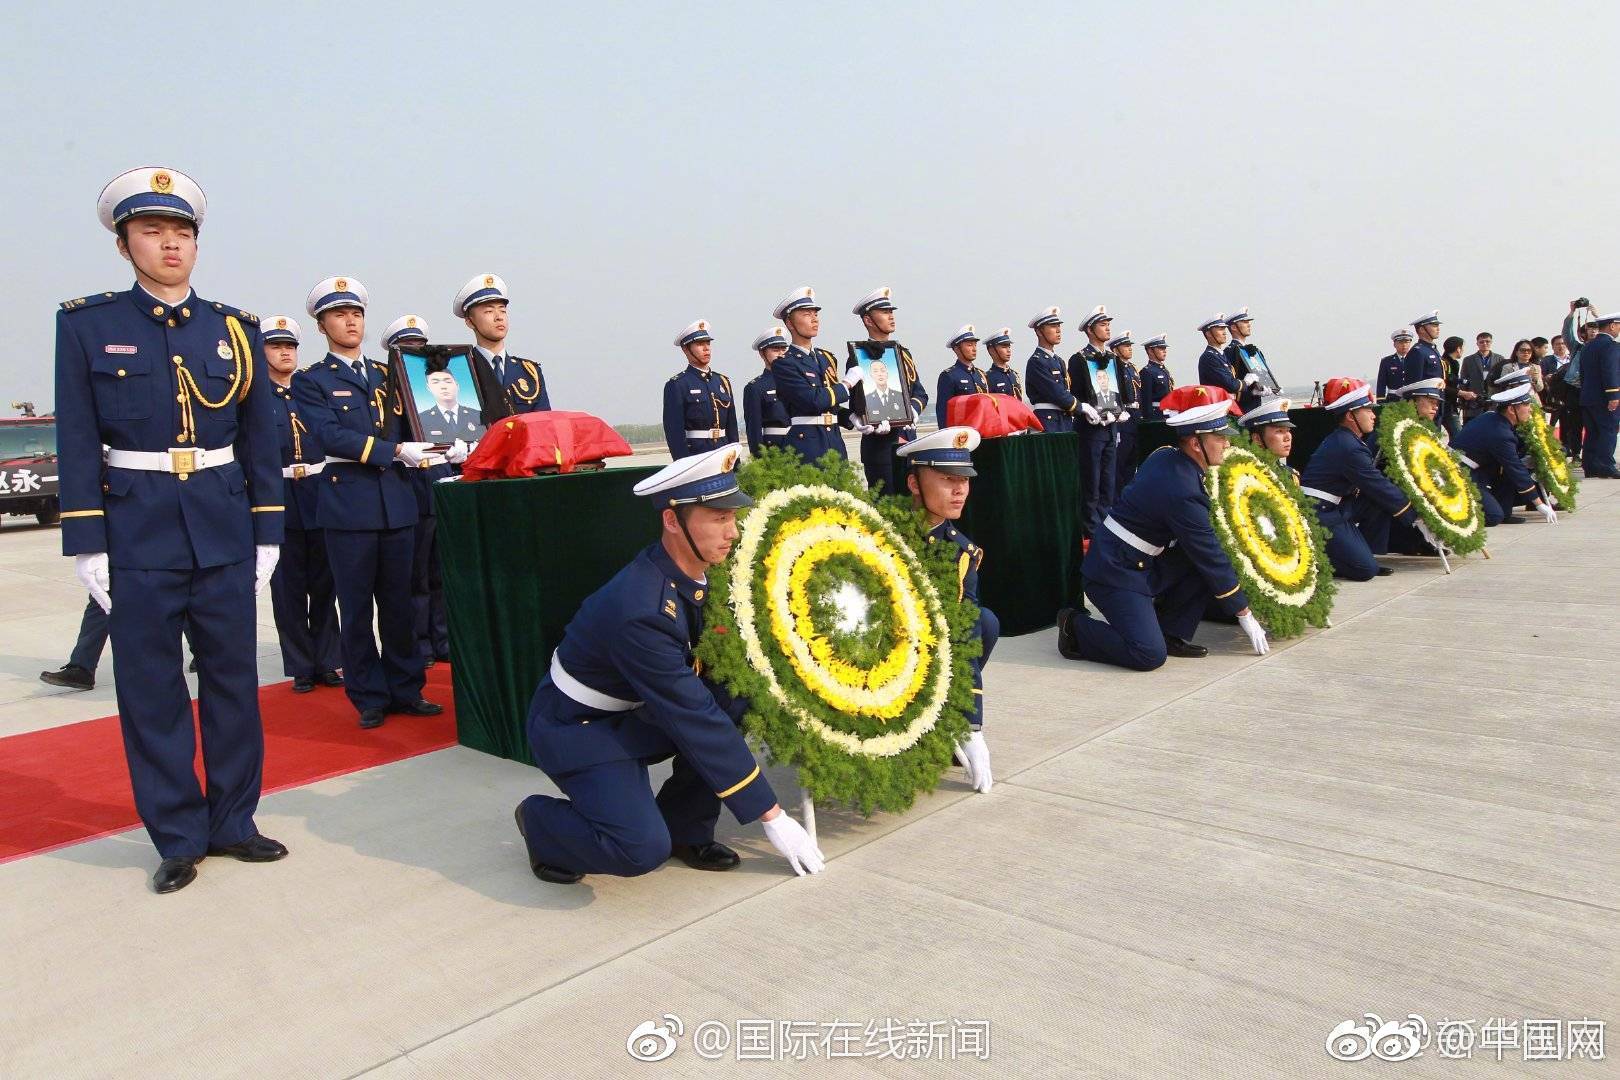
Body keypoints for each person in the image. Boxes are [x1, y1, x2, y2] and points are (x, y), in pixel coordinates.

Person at [54, 166, 287, 893]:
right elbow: (76, 432)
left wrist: (269, 530)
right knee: (151, 690)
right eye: (152, 233)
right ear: (125, 245)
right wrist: (87, 541)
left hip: (220, 525)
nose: (170, 245)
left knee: (232, 681)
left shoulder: (235, 331)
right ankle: (179, 834)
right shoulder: (88, 325)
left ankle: (234, 822)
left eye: (182, 233)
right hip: (138, 529)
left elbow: (260, 438)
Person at [514, 445, 825, 882]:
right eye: (718, 518)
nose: (731, 532)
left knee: (734, 694)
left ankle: (685, 828)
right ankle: (541, 821)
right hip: (580, 727)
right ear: (671, 520)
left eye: (732, 517)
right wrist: (772, 816)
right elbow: (691, 715)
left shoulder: (702, 571)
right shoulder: (641, 609)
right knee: (639, 850)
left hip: (638, 711)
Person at [293, 277, 444, 730]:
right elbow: (328, 435)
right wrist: (394, 451)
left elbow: (415, 424)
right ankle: (369, 694)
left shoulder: (387, 375)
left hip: (397, 504)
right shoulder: (312, 381)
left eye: (356, 313)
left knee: (399, 604)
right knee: (357, 609)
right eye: (340, 315)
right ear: (323, 325)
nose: (351, 321)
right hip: (349, 506)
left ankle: (406, 687)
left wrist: (439, 444)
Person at [1055, 385, 1269, 670]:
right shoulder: (1182, 490)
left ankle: (1171, 631)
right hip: (1115, 571)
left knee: (1198, 562)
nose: (1227, 445)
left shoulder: (1169, 457)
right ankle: (1075, 627)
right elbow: (1210, 553)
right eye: (1220, 438)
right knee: (1147, 655)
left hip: (1143, 561)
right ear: (1196, 444)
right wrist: (1244, 614)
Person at [896, 427, 997, 792]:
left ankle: (942, 720)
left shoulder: (960, 552)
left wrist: (971, 724)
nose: (959, 490)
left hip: (924, 655)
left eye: (964, 480)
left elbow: (964, 632)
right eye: (947, 480)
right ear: (914, 483)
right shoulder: (880, 530)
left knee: (984, 623)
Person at [263, 314, 343, 692]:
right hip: (280, 497)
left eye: (290, 346)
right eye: (277, 346)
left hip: (317, 492)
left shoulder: (311, 390)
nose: (285, 353)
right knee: (288, 589)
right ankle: (300, 664)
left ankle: (328, 660)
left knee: (325, 585)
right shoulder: (255, 399)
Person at [383, 315, 458, 668]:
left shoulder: (438, 391)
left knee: (440, 572)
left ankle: (442, 639)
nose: (414, 353)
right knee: (415, 577)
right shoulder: (387, 395)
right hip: (408, 487)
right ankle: (421, 643)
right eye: (406, 348)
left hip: (438, 485)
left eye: (419, 347)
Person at [1298, 377, 1427, 580]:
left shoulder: (1348, 440)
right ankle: (1322, 558)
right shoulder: (1348, 447)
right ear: (1350, 416)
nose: (1373, 415)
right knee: (1364, 571)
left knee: (1378, 503)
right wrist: (1417, 512)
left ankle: (1365, 553)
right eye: (1367, 410)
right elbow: (1378, 485)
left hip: (1338, 505)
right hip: (1320, 513)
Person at [847, 287, 927, 494]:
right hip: (880, 448)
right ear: (868, 320)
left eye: (891, 311)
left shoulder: (903, 353)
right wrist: (868, 419)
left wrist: (913, 412)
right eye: (884, 312)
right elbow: (857, 404)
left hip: (909, 441)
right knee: (887, 509)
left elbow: (920, 392)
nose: (891, 316)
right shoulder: (860, 356)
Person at [1452, 375, 1561, 524]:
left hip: (1477, 470)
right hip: (1459, 473)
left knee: (1511, 476)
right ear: (1511, 409)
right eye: (1526, 405)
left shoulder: (1496, 418)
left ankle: (1504, 509)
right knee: (1494, 516)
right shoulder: (1500, 433)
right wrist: (1540, 505)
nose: (1530, 409)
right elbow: (1515, 468)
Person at [771, 286, 861, 463]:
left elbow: (830, 405)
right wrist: (846, 384)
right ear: (790, 323)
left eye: (815, 314)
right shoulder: (784, 364)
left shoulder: (826, 358)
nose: (814, 319)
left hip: (835, 443)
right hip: (807, 447)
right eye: (806, 314)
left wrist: (851, 417)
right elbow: (813, 400)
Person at [455, 273, 550, 414]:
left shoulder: (529, 373)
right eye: (488, 311)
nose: (499, 317)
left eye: (502, 310)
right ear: (470, 321)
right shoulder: (462, 371)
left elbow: (543, 425)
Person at [1068, 306, 1122, 535]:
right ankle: (1091, 528)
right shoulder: (1079, 359)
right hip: (1091, 429)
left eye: (1108, 324)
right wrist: (1089, 412)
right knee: (1092, 481)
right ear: (1090, 330)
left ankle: (1106, 523)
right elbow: (1078, 395)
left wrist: (1119, 412)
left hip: (1110, 427)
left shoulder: (1112, 358)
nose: (1107, 328)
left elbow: (1118, 391)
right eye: (1102, 324)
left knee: (1109, 481)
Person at [662, 320, 738, 460]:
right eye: (699, 344)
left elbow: (732, 429)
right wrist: (683, 466)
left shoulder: (722, 381)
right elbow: (674, 433)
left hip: (724, 453)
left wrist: (736, 462)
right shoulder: (678, 384)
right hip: (696, 456)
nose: (706, 348)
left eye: (708, 343)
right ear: (686, 349)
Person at [1578, 311, 1620, 478]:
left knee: (1592, 432)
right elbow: (1610, 372)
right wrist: (1613, 395)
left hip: (1588, 397)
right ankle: (1605, 465)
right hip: (1604, 398)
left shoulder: (1588, 346)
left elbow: (1583, 374)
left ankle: (1590, 465)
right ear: (1611, 326)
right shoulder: (1610, 346)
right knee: (1608, 430)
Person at [1024, 306, 1077, 432]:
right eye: (1053, 326)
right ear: (1039, 331)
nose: (1058, 330)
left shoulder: (1059, 360)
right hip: (1048, 420)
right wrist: (1081, 407)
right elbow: (1056, 393)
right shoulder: (1036, 361)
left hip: (1064, 419)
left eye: (1059, 326)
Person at [742, 326, 790, 456]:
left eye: (783, 349)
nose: (781, 354)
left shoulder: (796, 381)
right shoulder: (755, 387)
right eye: (775, 350)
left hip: (801, 447)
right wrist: (760, 461)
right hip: (774, 451)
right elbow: (754, 432)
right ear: (762, 353)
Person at [936, 325, 989, 427]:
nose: (974, 349)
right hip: (963, 435)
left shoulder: (981, 375)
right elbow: (943, 413)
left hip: (984, 432)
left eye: (975, 345)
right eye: (969, 345)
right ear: (957, 349)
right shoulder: (949, 376)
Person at [1222, 306, 1273, 412]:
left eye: (1248, 321)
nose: (1248, 324)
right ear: (1234, 327)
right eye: (1244, 322)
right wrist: (1251, 392)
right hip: (1241, 408)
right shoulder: (1230, 351)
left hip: (1255, 406)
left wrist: (1269, 386)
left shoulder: (1252, 350)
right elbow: (1230, 384)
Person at [1110, 328, 1142, 490]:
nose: (1129, 348)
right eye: (1125, 345)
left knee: (1132, 460)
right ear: (1115, 349)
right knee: (1120, 460)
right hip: (1122, 416)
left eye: (1130, 345)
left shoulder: (1132, 368)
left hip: (1135, 416)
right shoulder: (1114, 367)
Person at [1547, 334, 1583, 456]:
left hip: (1570, 397)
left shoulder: (1573, 359)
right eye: (1557, 344)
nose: (1561, 346)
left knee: (1570, 425)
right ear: (1553, 347)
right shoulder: (1547, 361)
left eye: (1563, 344)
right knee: (1551, 425)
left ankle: (1570, 450)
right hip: (1554, 398)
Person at [1238, 396, 1295, 465]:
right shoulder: (1246, 472)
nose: (1287, 438)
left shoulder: (1290, 473)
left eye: (1288, 430)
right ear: (1257, 439)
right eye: (1279, 431)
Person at [1194, 314, 1237, 395]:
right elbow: (1230, 385)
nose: (1224, 333)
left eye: (1224, 329)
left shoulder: (1220, 354)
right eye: (1220, 329)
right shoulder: (1209, 357)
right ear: (1209, 334)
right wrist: (1246, 383)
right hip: (1217, 404)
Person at [1137, 333, 1174, 422]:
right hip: (1156, 415)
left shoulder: (1164, 370)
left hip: (1167, 412)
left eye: (1164, 348)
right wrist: (1149, 419)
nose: (1164, 351)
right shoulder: (1147, 372)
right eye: (1161, 348)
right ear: (1150, 351)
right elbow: (1146, 399)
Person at [1405, 311, 1444, 387]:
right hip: (1425, 397)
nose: (1438, 329)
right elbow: (1414, 383)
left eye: (1438, 325)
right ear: (1422, 329)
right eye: (1434, 325)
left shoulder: (1432, 349)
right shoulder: (1417, 352)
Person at [983, 328, 1022, 399]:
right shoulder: (987, 378)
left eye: (1009, 347)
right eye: (1004, 347)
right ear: (991, 350)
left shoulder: (1014, 375)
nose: (1008, 350)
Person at [1377, 328, 1414, 401]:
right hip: (1393, 399)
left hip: (1411, 399)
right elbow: (1381, 384)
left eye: (1406, 342)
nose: (1404, 345)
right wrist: (1380, 400)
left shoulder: (1416, 360)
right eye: (1400, 342)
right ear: (1394, 344)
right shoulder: (1386, 361)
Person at [1440, 335, 1466, 435]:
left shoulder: (1454, 364)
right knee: (1459, 437)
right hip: (1445, 405)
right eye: (1462, 348)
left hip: (1451, 404)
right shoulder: (1444, 363)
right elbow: (1442, 385)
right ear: (1458, 349)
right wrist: (1461, 393)